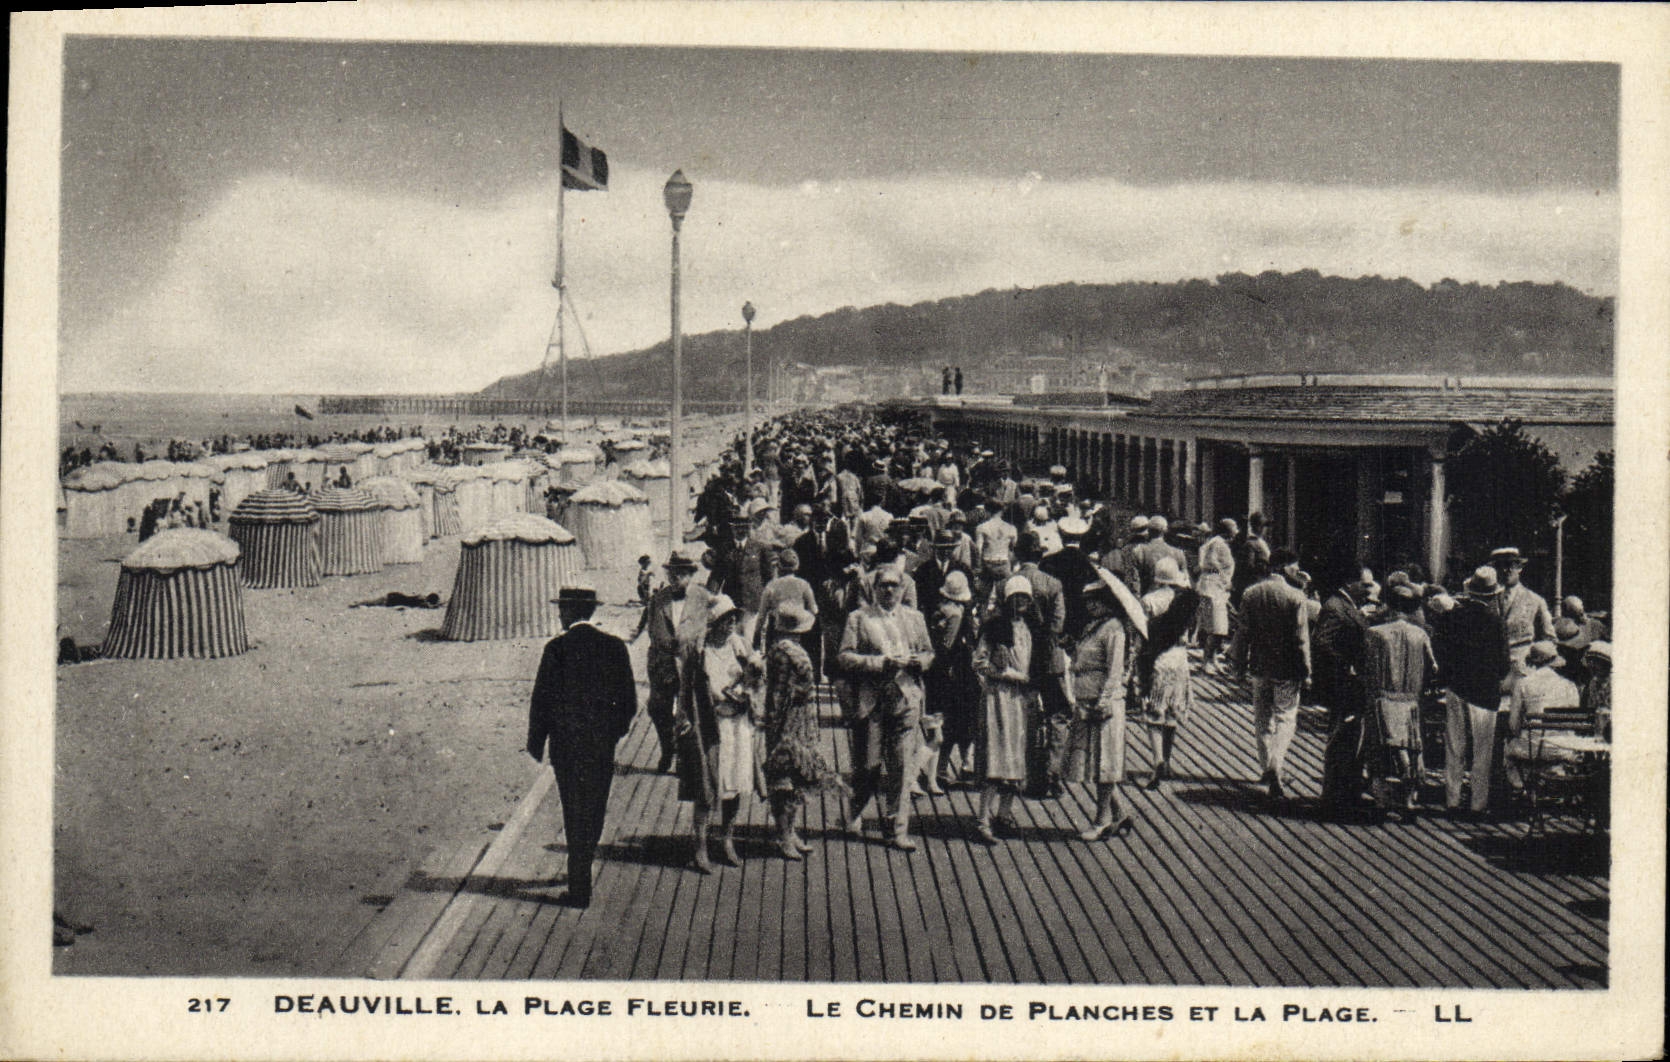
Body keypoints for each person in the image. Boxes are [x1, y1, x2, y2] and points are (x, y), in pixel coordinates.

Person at [524, 586, 638, 908]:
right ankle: (582, 867)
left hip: (566, 747)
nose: (559, 614)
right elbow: (628, 700)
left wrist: (537, 742)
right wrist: (614, 732)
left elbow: (541, 700)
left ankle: (579, 887)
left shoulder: (555, 649)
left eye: (562, 609)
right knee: (595, 808)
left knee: (573, 810)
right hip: (601, 746)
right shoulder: (614, 648)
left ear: (572, 612)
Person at [838, 565, 935, 851]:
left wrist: (922, 661)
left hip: (906, 698)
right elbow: (844, 657)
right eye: (884, 586)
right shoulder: (859, 618)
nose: (889, 590)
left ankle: (897, 829)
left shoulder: (915, 618)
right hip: (872, 701)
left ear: (902, 588)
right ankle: (855, 811)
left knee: (903, 768)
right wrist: (879, 663)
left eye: (894, 585)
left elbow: (929, 651)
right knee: (868, 768)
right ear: (874, 589)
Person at [676, 595, 765, 872]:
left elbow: (756, 680)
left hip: (738, 726)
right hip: (711, 726)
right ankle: (700, 847)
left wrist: (750, 688)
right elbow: (685, 689)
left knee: (736, 783)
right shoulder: (698, 652)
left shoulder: (740, 647)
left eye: (733, 620)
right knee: (707, 786)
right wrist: (683, 720)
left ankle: (727, 839)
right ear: (713, 623)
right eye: (725, 620)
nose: (730, 625)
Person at [1065, 575, 1143, 840]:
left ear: (1108, 602)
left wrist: (1103, 702)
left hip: (1103, 703)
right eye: (1088, 602)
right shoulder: (1094, 626)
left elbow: (1114, 671)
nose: (1091, 606)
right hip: (1086, 699)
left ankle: (1102, 820)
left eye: (1096, 601)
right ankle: (1120, 813)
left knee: (1104, 763)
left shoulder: (1114, 630)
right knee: (1095, 760)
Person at [1230, 548, 1312, 801]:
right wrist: (1306, 670)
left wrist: (1238, 665)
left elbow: (1242, 634)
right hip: (1287, 667)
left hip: (1259, 664)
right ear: (1285, 568)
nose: (1297, 572)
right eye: (1294, 567)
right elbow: (1301, 639)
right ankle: (1277, 764)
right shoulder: (1295, 596)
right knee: (1286, 717)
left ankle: (1266, 768)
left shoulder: (1251, 593)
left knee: (1262, 718)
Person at [1430, 566, 1512, 817]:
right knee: (1482, 751)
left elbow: (1441, 649)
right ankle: (1478, 803)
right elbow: (1504, 661)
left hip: (1456, 688)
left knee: (1455, 746)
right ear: (1492, 595)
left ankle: (1452, 800)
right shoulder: (1495, 621)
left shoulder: (1454, 616)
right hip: (1484, 693)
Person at [763, 604, 842, 860]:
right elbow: (780, 693)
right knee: (785, 778)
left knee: (795, 777)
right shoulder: (784, 653)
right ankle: (783, 835)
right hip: (789, 721)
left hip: (798, 718)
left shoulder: (783, 650)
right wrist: (777, 725)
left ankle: (789, 831)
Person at [972, 576, 1044, 845]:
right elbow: (979, 662)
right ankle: (982, 818)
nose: (1021, 603)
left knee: (1016, 756)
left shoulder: (1031, 627)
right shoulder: (994, 627)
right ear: (1007, 600)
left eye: (1025, 598)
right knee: (996, 756)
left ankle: (1003, 814)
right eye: (1016, 598)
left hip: (1021, 701)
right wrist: (1008, 675)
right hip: (998, 698)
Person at [1362, 584, 1438, 818]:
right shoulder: (1421, 634)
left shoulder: (1376, 633)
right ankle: (1409, 800)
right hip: (1411, 700)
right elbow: (1433, 667)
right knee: (1413, 747)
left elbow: (1367, 667)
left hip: (1383, 698)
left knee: (1378, 750)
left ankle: (1382, 800)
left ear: (1389, 605)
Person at [636, 553, 712, 774]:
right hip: (663, 663)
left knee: (688, 712)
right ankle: (667, 748)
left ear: (690, 575)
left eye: (681, 573)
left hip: (691, 663)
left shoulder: (702, 597)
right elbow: (654, 631)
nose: (675, 577)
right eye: (672, 573)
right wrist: (670, 648)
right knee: (658, 709)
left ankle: (684, 758)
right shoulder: (659, 599)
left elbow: (708, 627)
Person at [1313, 570, 1375, 816]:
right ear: (1350, 582)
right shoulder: (1335, 607)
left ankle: (1345, 790)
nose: (1369, 589)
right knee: (1342, 737)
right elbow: (1322, 642)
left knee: (1349, 738)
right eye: (1365, 584)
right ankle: (1335, 795)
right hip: (1342, 684)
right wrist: (1346, 665)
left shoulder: (1345, 605)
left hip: (1348, 685)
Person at [1139, 557, 1198, 789]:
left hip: (1158, 658)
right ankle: (1169, 760)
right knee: (1173, 710)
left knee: (1154, 712)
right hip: (1180, 657)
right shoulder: (1184, 601)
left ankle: (1157, 761)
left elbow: (1143, 634)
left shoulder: (1148, 601)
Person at [925, 570, 980, 789]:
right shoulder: (957, 614)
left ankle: (942, 768)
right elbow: (949, 645)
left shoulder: (938, 609)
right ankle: (957, 767)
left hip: (939, 671)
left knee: (944, 722)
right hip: (956, 672)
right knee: (961, 721)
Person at [1503, 641, 1583, 790]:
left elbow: (1513, 726)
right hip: (1562, 748)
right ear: (1554, 661)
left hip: (1532, 749)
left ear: (1533, 661)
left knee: (1507, 748)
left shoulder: (1523, 684)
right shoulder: (1569, 685)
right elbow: (1573, 724)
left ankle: (1522, 786)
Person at [1491, 547, 1555, 674]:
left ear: (1520, 568)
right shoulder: (1490, 600)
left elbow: (1549, 638)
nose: (1506, 570)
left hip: (1523, 668)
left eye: (1511, 565)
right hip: (1493, 669)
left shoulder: (1535, 601)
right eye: (1501, 566)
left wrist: (1536, 662)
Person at [755, 548, 818, 652]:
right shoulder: (803, 584)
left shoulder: (772, 585)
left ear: (779, 567)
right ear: (796, 566)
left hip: (778, 633)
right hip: (799, 634)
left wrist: (756, 635)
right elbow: (814, 610)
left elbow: (761, 616)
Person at [1194, 518, 1237, 672]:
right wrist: (1224, 578)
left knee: (1216, 626)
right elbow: (1211, 562)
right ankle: (1206, 661)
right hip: (1213, 588)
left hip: (1215, 588)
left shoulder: (1217, 542)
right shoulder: (1218, 543)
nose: (1236, 532)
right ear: (1227, 530)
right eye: (1234, 528)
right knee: (1216, 628)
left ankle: (1212, 659)